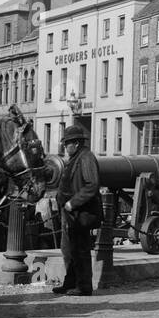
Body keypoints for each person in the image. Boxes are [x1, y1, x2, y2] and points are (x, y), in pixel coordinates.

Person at [54, 124, 101, 295]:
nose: (65, 147)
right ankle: (70, 282)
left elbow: (92, 185)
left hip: (81, 213)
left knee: (80, 250)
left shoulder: (86, 158)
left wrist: (72, 203)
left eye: (67, 144)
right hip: (71, 213)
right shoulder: (76, 158)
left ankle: (84, 286)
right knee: (69, 249)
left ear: (77, 143)